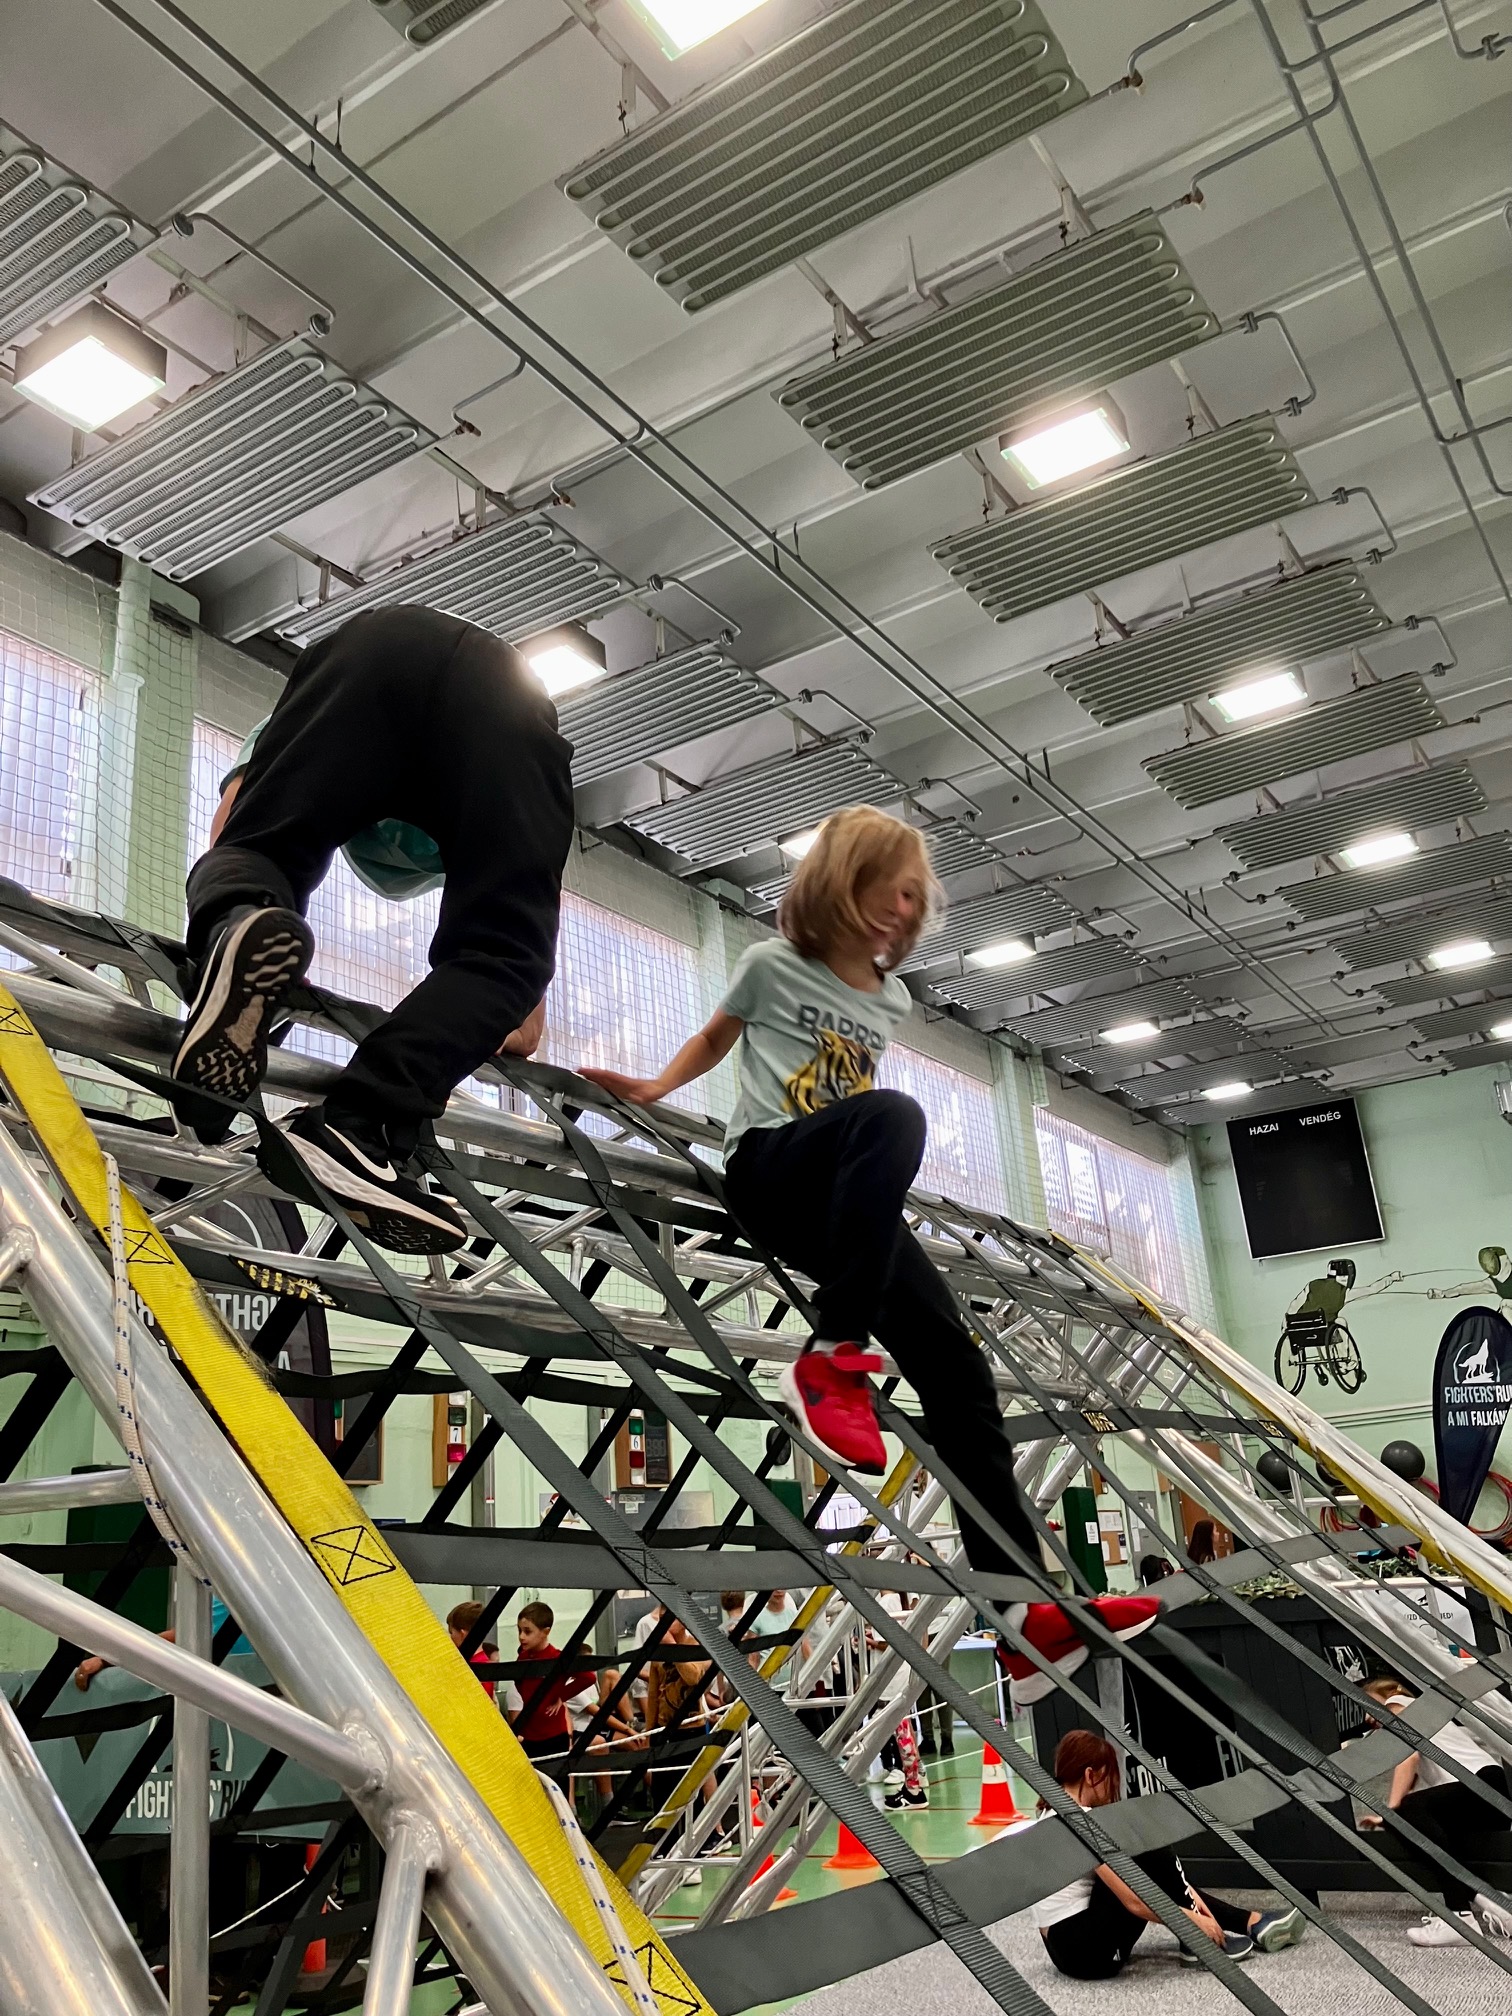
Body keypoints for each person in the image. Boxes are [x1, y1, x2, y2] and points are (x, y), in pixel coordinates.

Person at [580, 806, 1157, 1697]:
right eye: (891, 888)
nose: (903, 907)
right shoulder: (772, 965)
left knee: (958, 1371)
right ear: (843, 883)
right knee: (893, 1114)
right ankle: (831, 1356)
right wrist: (654, 1087)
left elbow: (858, 1115)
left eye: (916, 898)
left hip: (843, 1195)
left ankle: (1021, 1617)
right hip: (771, 1169)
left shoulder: (892, 1000)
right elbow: (716, 1038)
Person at [172, 606, 574, 1254]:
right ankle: (360, 1126)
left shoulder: (296, 731)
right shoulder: (503, 810)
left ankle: (236, 925)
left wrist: (241, 932)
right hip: (511, 704)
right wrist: (443, 1029)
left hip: (376, 648)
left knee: (261, 851)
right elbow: (523, 1017)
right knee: (503, 956)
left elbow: (232, 834)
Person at [1032, 1730, 1304, 1978]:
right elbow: (1133, 1902)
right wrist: (1190, 1919)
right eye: (1110, 1777)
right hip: (1090, 1954)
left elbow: (1165, 1882)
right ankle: (1204, 1937)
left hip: (1066, 1951)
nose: (1113, 1787)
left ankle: (1247, 1923)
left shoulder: (1052, 1813)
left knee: (1145, 1857)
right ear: (1091, 1775)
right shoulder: (1082, 1821)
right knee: (1147, 1849)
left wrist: (1193, 1905)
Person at [1360, 1676, 1512, 1945]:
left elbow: (1409, 1758)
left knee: (1406, 1811)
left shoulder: (1398, 1704)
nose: (1367, 1717)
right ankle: (1483, 1902)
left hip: (1479, 1784)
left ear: (1387, 1695)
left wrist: (1391, 1810)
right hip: (1483, 1792)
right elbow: (1414, 1775)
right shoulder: (1419, 1717)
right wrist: (1390, 1817)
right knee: (1411, 1822)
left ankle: (1462, 1916)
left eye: (1369, 1706)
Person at [510, 1600, 595, 1760]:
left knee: (554, 1773)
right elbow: (520, 1683)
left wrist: (560, 1696)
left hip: (554, 1734)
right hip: (529, 1733)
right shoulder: (522, 1657)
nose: (521, 1636)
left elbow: (588, 1677)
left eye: (527, 1631)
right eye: (519, 1630)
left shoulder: (557, 1657)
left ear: (545, 1632)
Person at [447, 1599, 499, 1701]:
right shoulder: (484, 1663)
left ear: (463, 1634)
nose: (450, 1637)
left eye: (451, 1632)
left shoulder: (471, 1666)